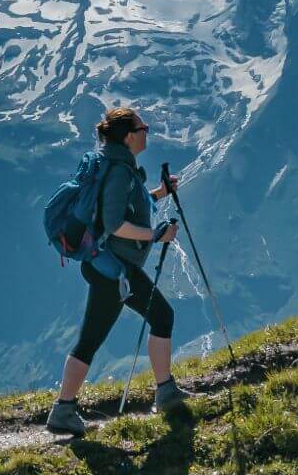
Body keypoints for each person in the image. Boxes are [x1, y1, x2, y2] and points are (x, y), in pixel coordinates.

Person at [46, 106, 191, 435]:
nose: (146, 133)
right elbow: (115, 224)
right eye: (143, 128)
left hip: (106, 267)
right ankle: (165, 392)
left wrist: (159, 193)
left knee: (91, 338)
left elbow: (121, 209)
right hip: (116, 269)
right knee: (162, 317)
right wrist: (156, 234)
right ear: (129, 136)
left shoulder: (113, 164)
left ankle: (63, 410)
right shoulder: (119, 170)